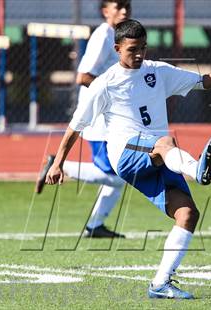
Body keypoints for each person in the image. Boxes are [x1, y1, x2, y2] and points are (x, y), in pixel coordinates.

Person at [45, 19, 211, 299]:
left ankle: (160, 283)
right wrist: (57, 162)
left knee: (187, 214)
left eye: (143, 48)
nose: (139, 54)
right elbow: (76, 125)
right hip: (126, 154)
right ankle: (198, 171)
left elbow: (199, 82)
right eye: (132, 49)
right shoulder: (104, 84)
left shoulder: (157, 71)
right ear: (117, 48)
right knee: (165, 143)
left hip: (162, 157)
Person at [35, 0, 131, 238]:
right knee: (116, 176)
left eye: (127, 6)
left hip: (110, 117)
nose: (125, 11)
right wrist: (112, 93)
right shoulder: (103, 36)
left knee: (120, 173)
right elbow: (83, 76)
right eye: (119, 6)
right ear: (105, 11)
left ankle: (96, 225)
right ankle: (59, 164)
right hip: (97, 117)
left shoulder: (117, 35)